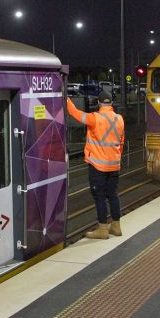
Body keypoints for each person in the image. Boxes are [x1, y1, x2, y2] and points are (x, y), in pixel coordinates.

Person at [67, 90, 125, 239]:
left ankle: (102, 229)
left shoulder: (94, 118)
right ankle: (116, 226)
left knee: (99, 196)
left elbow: (74, 112)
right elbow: (121, 142)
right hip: (114, 165)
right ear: (111, 103)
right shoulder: (120, 119)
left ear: (98, 103)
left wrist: (65, 97)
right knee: (113, 194)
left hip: (98, 166)